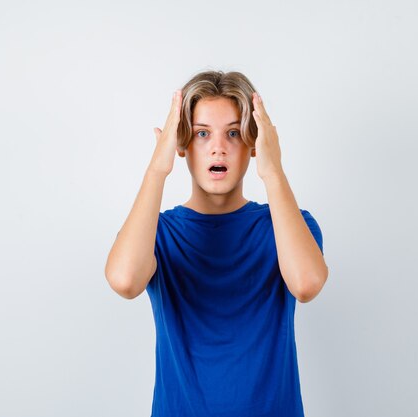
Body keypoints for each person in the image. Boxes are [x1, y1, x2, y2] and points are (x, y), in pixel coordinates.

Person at [104, 69, 328, 416]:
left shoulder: (287, 225)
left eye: (234, 133)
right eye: (202, 134)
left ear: (255, 143)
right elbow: (124, 280)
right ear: (182, 145)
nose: (219, 148)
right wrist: (156, 171)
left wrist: (274, 172)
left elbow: (307, 283)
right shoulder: (157, 232)